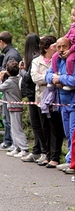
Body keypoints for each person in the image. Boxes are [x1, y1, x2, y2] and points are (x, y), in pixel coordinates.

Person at [31, 35, 64, 169]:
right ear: (46, 48)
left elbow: (60, 76)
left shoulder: (59, 60)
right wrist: (50, 77)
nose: (57, 48)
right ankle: (47, 154)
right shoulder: (37, 61)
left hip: (56, 98)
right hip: (41, 97)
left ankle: (55, 156)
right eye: (54, 46)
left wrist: (49, 77)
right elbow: (35, 77)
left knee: (55, 127)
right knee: (44, 126)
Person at [46, 37, 75, 176]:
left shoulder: (72, 60)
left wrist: (60, 79)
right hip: (63, 103)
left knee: (73, 132)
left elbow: (74, 79)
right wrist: (53, 79)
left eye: (64, 46)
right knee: (68, 134)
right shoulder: (57, 60)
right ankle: (70, 160)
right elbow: (48, 75)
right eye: (59, 47)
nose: (62, 50)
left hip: (73, 102)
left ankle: (72, 162)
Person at [18, 33, 48, 164]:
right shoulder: (33, 58)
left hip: (34, 93)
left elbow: (29, 77)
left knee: (38, 123)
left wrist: (22, 71)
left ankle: (43, 150)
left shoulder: (35, 58)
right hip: (32, 93)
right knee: (36, 123)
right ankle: (36, 150)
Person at [0, 31, 22, 152]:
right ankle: (8, 140)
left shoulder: (12, 54)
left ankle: (12, 142)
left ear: (1, 41)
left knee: (9, 119)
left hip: (9, 90)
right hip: (8, 89)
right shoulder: (9, 53)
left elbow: (8, 71)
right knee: (7, 117)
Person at [0, 60, 29, 158]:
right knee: (14, 129)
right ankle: (17, 147)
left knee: (17, 129)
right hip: (15, 107)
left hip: (15, 107)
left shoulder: (9, 82)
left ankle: (24, 148)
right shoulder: (18, 79)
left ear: (7, 71)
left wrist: (0, 79)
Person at [50, 6, 75, 88]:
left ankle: (69, 77)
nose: (72, 17)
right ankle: (56, 73)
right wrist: (58, 43)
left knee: (69, 60)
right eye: (71, 15)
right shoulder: (72, 27)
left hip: (73, 49)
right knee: (54, 56)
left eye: (74, 15)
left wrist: (70, 50)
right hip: (68, 47)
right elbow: (66, 36)